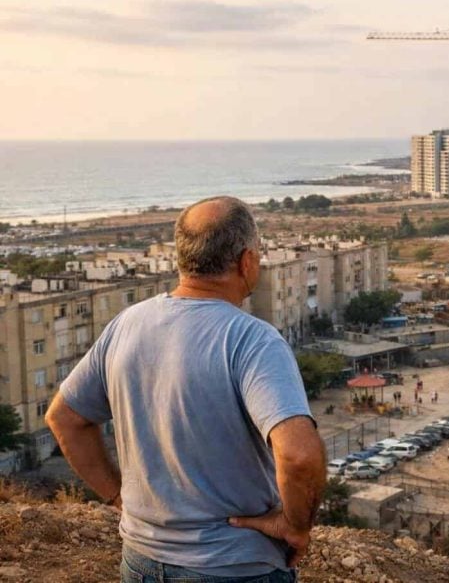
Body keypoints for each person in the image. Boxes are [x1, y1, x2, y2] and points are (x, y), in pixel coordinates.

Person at [46, 197, 326, 583]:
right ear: (247, 262)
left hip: (141, 560)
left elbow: (63, 417)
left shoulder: (128, 324)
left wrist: (118, 497)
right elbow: (299, 455)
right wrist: (295, 526)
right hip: (233, 567)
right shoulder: (253, 340)